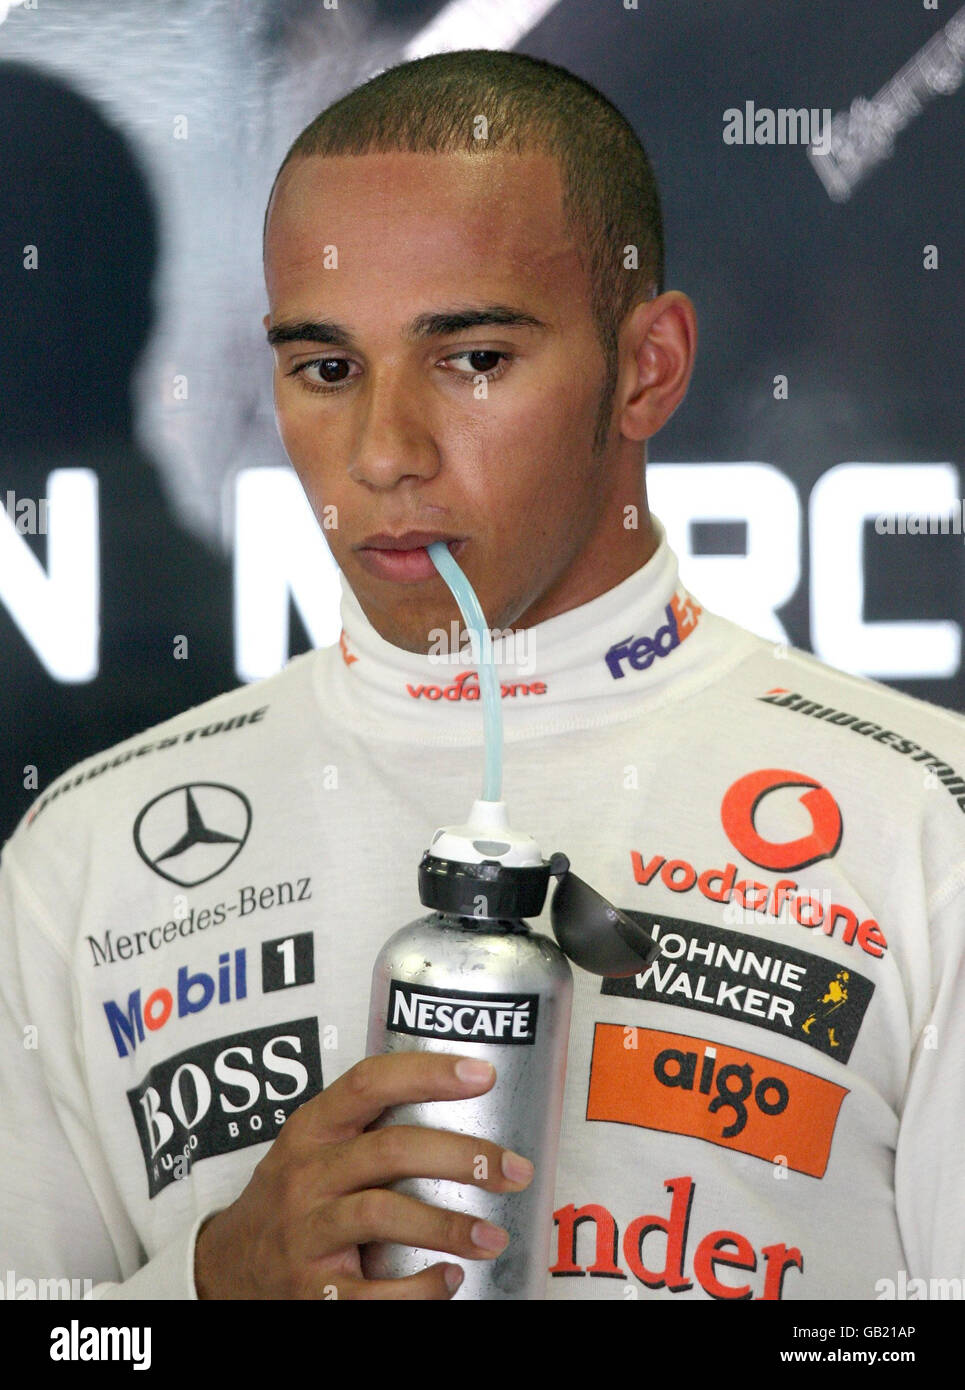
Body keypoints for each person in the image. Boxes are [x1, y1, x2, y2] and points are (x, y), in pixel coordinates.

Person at [1, 48, 962, 1303]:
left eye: (473, 360)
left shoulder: (920, 824)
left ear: (647, 367)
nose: (386, 453)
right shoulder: (90, 854)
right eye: (327, 369)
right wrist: (210, 1285)